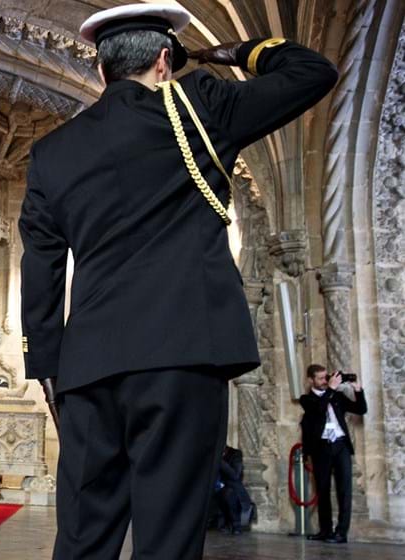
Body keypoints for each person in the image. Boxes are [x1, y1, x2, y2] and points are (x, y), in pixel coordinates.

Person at [18, 4, 338, 559]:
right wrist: (230, 53)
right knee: (168, 537)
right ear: (165, 59)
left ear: (102, 72)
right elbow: (313, 72)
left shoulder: (51, 153)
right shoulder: (200, 106)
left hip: (88, 369)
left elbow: (40, 271)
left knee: (82, 538)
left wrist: (49, 372)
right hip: (182, 355)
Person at [300, 364, 367, 544]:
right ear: (310, 380)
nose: (325, 381)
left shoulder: (337, 396)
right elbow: (319, 410)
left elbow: (361, 409)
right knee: (322, 490)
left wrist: (358, 390)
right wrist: (330, 388)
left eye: (326, 377)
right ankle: (325, 530)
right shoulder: (307, 399)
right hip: (322, 448)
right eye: (320, 378)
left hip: (341, 445)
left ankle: (341, 533)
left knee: (344, 489)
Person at [213, 445, 253, 534]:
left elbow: (235, 475)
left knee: (229, 493)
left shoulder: (235, 454)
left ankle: (236, 525)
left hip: (231, 489)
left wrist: (220, 461)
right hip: (216, 489)